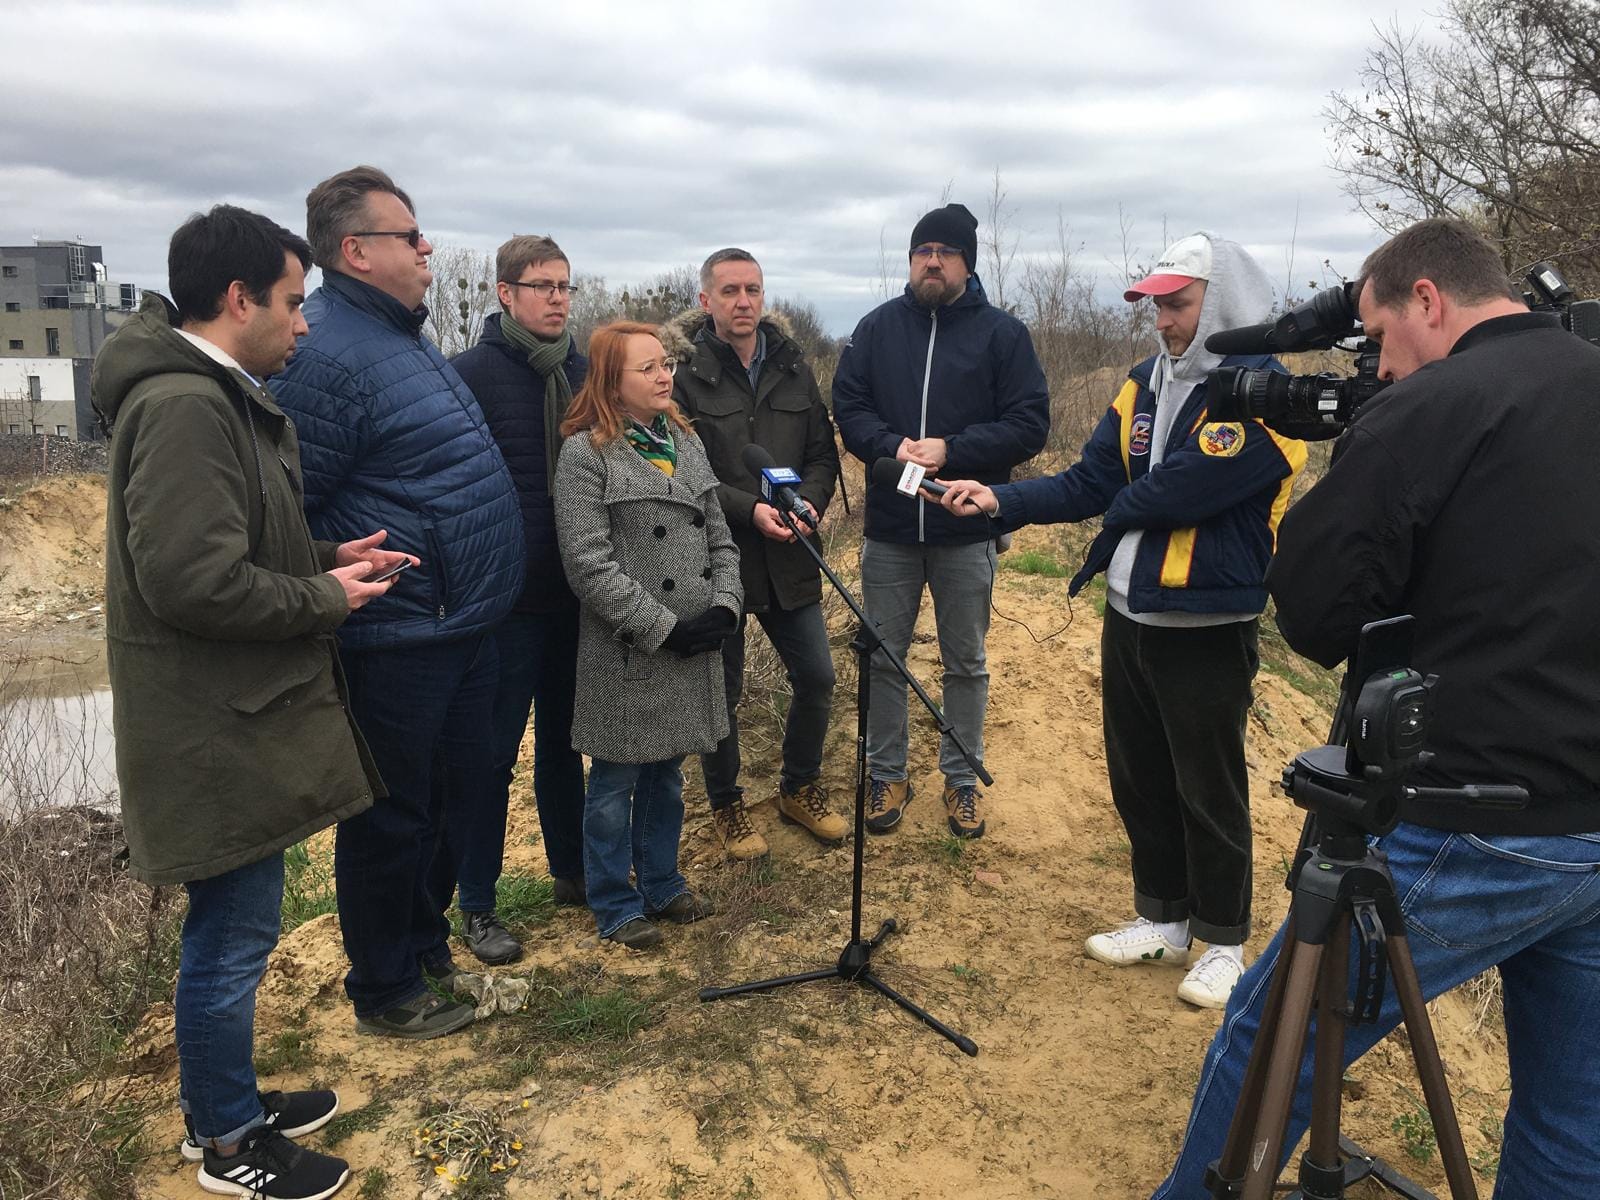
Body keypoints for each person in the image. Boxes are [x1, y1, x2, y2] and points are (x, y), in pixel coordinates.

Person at [1153, 218, 1600, 1197]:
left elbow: (1314, 611)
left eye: (1379, 338)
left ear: (1427, 302)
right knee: (1574, 1121)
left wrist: (1367, 436)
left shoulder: (1436, 404)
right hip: (1589, 831)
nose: (1379, 365)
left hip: (1467, 821)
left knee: (1270, 1046)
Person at [96, 205, 407, 1200]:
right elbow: (190, 583)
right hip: (213, 729)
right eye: (291, 301)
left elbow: (230, 548)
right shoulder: (187, 408)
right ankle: (228, 1144)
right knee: (230, 940)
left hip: (235, 716)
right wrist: (325, 599)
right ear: (238, 301)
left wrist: (328, 558)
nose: (303, 324)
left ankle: (225, 1104)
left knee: (235, 930)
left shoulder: (217, 398)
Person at [936, 233, 1306, 1010]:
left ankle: (1223, 941)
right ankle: (1164, 918)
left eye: (1179, 303)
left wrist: (1117, 507)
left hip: (1208, 622)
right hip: (1130, 611)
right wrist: (1002, 497)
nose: (1163, 320)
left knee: (1209, 785)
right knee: (1140, 775)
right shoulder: (1143, 384)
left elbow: (1177, 492)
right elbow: (1093, 480)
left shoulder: (1264, 393)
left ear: (1224, 303)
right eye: (1156, 305)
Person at [272, 166, 523, 1038]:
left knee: (449, 799)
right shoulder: (327, 352)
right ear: (355, 251)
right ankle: (384, 989)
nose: (426, 249)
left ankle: (423, 945)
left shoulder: (399, 334)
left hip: (459, 624)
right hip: (399, 634)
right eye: (409, 237)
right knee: (392, 815)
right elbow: (289, 506)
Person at [832, 203, 1049, 841]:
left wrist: (952, 449)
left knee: (965, 661)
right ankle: (888, 773)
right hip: (892, 531)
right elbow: (849, 405)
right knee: (884, 656)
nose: (932, 260)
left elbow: (1029, 423)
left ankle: (960, 779)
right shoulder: (876, 330)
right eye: (922, 250)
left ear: (966, 263)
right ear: (909, 260)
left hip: (967, 530)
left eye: (945, 252)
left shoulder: (1003, 336)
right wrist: (891, 446)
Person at [553, 321, 742, 949]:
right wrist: (664, 629)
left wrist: (726, 607)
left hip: (695, 642)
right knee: (613, 783)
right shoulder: (586, 453)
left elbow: (720, 535)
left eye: (666, 365)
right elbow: (588, 564)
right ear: (612, 380)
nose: (666, 377)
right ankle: (613, 902)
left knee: (668, 775)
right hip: (629, 650)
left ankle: (662, 882)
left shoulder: (684, 441)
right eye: (649, 369)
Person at [664, 247, 845, 861]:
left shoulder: (794, 367)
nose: (744, 302)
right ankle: (726, 805)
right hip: (721, 559)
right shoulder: (681, 376)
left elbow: (823, 453)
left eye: (753, 290)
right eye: (730, 291)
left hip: (793, 553)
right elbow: (685, 474)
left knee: (818, 677)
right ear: (705, 300)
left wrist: (811, 503)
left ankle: (800, 786)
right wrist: (750, 510)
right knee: (724, 691)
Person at [445, 235, 590, 964]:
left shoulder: (586, 372)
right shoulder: (468, 375)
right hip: (504, 605)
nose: (558, 297)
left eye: (565, 285)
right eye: (542, 285)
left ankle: (574, 873)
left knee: (568, 747)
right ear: (506, 294)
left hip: (576, 597)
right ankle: (477, 906)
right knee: (489, 759)